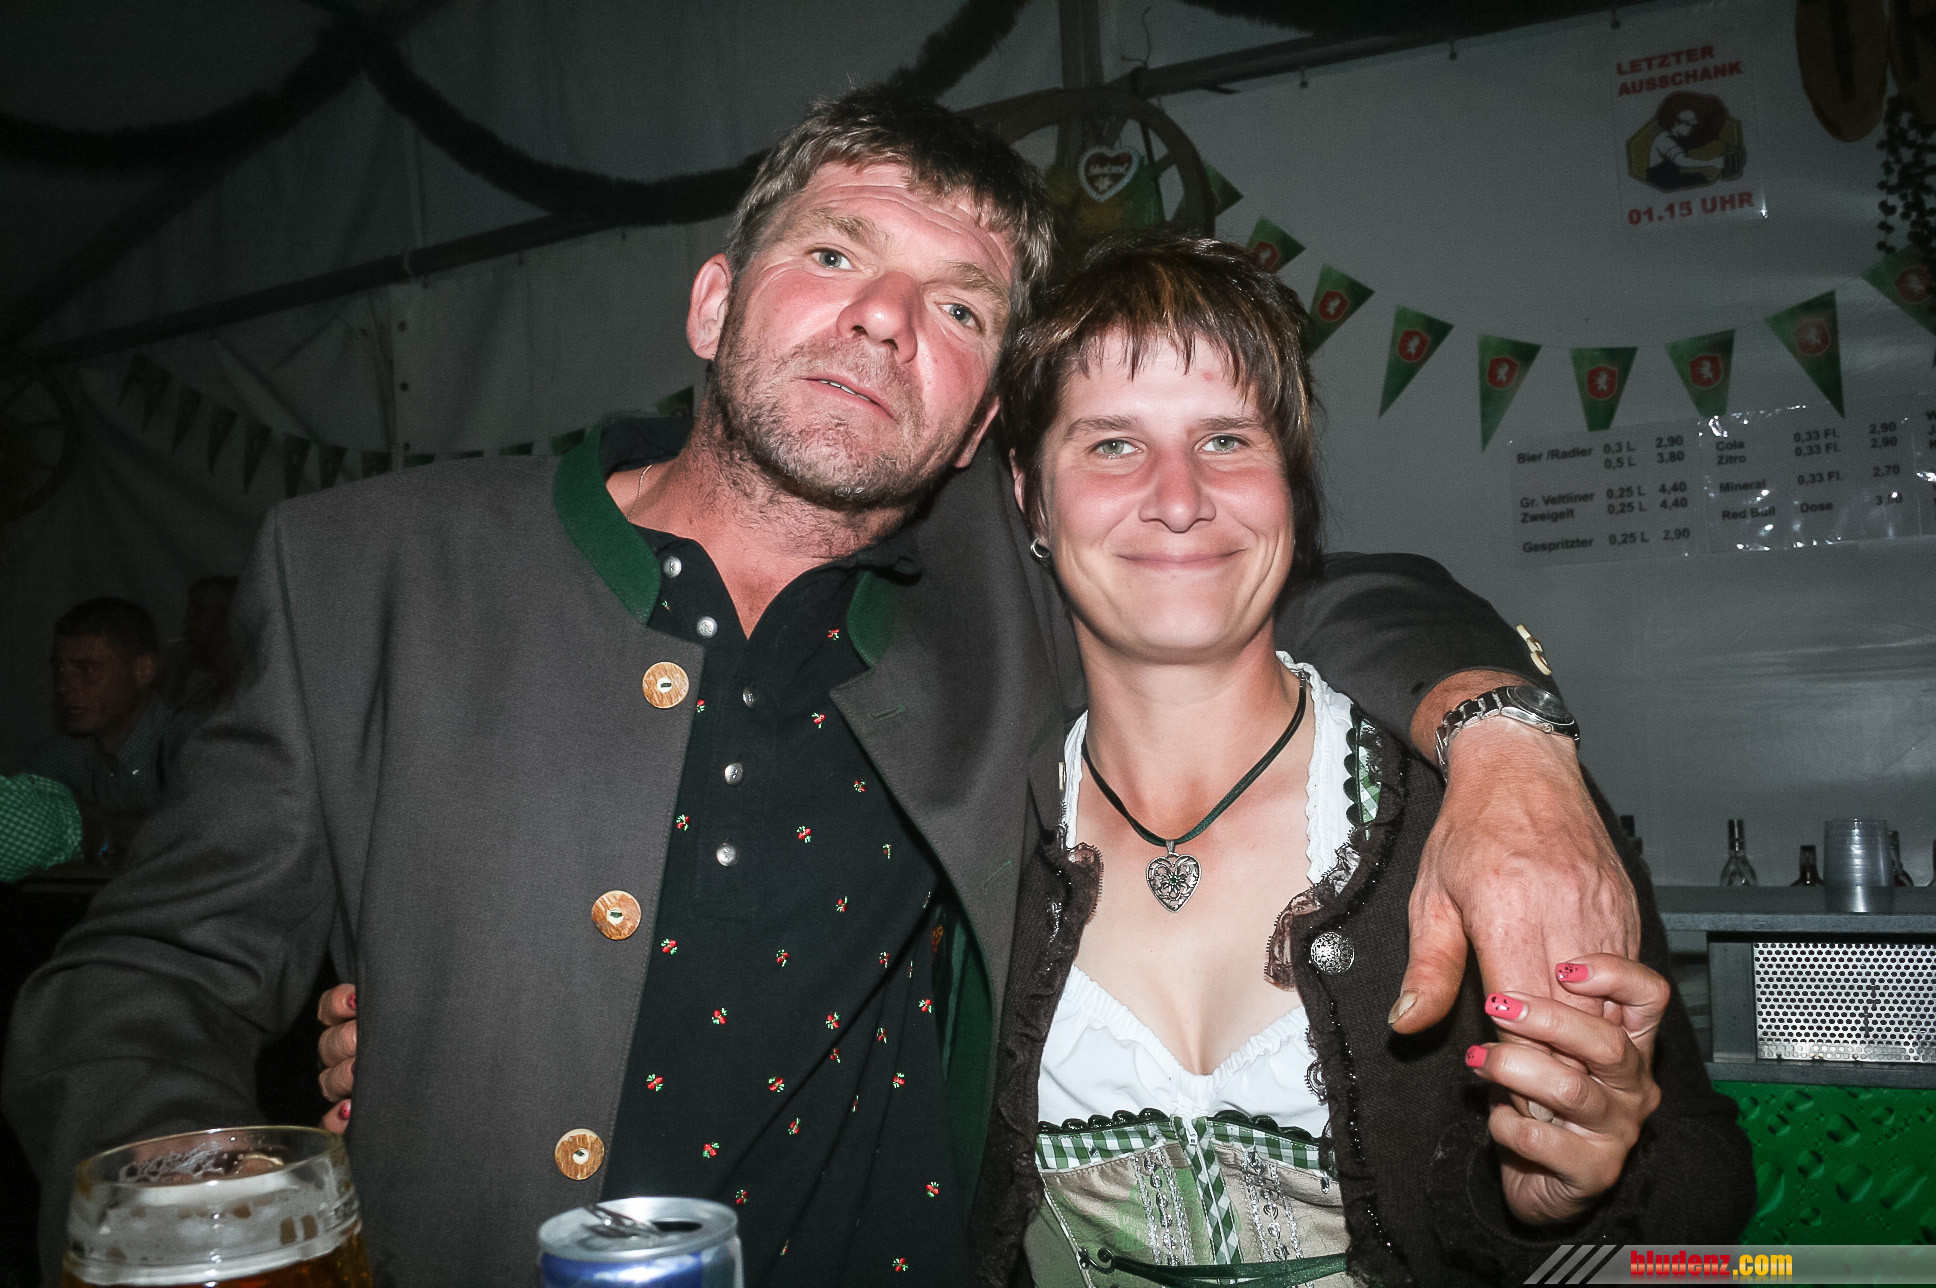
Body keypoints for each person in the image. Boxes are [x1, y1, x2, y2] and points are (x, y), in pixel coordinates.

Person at [10, 88, 1635, 1287]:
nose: (882, 320)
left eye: (957, 305)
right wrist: (203, 1217)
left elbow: (1294, 575)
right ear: (716, 301)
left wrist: (1509, 746)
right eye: (837, 253)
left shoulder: (1013, 593)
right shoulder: (370, 567)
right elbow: (151, 970)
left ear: (984, 416)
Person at [961, 235, 1754, 1284]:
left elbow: (1702, 1175)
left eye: (1227, 440)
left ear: (1291, 482)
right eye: (1112, 444)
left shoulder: (1484, 802)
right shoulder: (977, 825)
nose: (1180, 498)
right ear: (1028, 495)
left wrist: (1550, 1198)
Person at [25, 598, 198, 827]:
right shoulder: (66, 753)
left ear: (143, 671)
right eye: (59, 669)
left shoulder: (194, 744)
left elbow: (202, 832)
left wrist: (94, 821)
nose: (63, 686)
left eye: (88, 669)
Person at [157, 574, 241, 714]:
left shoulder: (247, 678)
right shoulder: (201, 678)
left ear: (226, 616)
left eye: (199, 610)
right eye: (189, 610)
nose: (188, 619)